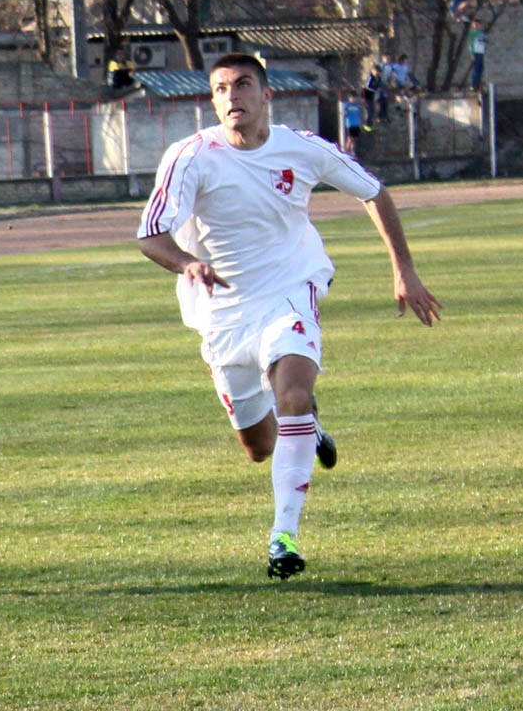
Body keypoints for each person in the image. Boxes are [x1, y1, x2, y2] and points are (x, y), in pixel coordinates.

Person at [136, 53, 441, 581]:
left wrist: (404, 271)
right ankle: (307, 426)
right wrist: (188, 263)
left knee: (294, 391)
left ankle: (284, 536)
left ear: (266, 94)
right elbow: (151, 235)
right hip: (224, 314)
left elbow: (373, 192)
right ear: (212, 101)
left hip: (290, 289)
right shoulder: (190, 157)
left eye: (244, 85)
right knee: (259, 447)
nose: (233, 96)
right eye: (222, 89)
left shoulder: (301, 148)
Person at [468, 19, 488, 92]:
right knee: (476, 69)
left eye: (477, 24)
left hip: (481, 52)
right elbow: (471, 45)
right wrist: (472, 54)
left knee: (480, 69)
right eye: (475, 24)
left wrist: (485, 43)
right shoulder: (472, 34)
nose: (476, 26)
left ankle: (478, 84)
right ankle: (474, 85)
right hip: (476, 53)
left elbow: (485, 42)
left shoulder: (482, 33)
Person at [341, 90, 363, 154]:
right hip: (350, 124)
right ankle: (346, 152)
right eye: (352, 97)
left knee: (354, 139)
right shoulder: (347, 105)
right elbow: (343, 113)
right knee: (350, 138)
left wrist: (360, 123)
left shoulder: (357, 106)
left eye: (354, 97)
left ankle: (353, 152)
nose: (353, 99)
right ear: (349, 98)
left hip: (356, 124)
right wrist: (345, 113)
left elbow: (360, 114)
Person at [361, 65, 382, 130]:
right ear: (372, 71)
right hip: (366, 96)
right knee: (368, 110)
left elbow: (378, 87)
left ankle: (370, 125)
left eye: (377, 71)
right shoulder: (370, 77)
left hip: (372, 96)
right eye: (375, 71)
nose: (376, 73)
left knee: (372, 110)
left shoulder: (378, 78)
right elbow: (367, 87)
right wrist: (375, 86)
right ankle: (366, 125)